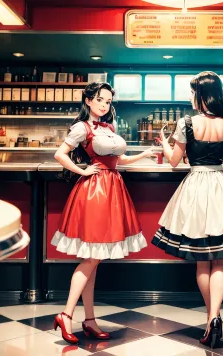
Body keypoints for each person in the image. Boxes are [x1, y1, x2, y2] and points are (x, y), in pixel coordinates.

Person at [152, 72, 223, 349]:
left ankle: (210, 317)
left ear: (202, 95)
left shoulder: (186, 123)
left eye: (193, 92)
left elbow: (174, 163)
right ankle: (215, 317)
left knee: (203, 260)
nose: (191, 97)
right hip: (222, 186)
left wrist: (165, 142)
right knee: (222, 260)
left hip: (195, 187)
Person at [51, 82, 152, 344]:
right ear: (88, 100)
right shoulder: (81, 128)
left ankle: (90, 321)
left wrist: (144, 154)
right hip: (94, 192)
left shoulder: (108, 127)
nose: (105, 105)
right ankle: (66, 314)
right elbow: (60, 154)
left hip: (111, 189)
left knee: (94, 259)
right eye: (100, 100)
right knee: (92, 258)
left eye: (108, 101)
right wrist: (83, 171)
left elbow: (118, 161)